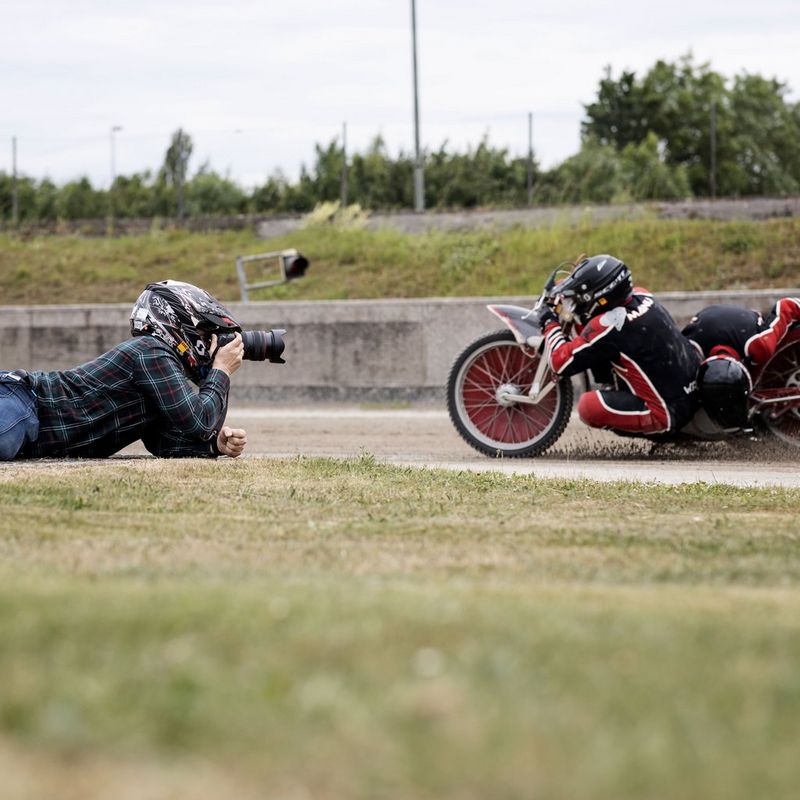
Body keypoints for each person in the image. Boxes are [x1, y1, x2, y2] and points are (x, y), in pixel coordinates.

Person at [0, 280, 248, 460]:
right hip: (23, 401)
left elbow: (164, 442)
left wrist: (214, 445)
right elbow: (199, 421)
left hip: (30, 433)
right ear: (177, 324)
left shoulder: (160, 370)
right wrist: (221, 370)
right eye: (205, 334)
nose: (208, 343)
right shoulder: (151, 351)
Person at [535, 254, 700, 435]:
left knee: (588, 406)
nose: (582, 300)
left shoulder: (609, 325)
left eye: (585, 296)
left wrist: (549, 323)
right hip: (689, 393)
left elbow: (559, 363)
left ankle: (661, 428)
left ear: (602, 296)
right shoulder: (642, 295)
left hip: (666, 413)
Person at [681, 298, 800, 430]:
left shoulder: (759, 345)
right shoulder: (687, 355)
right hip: (709, 321)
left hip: (740, 324)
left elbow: (787, 306)